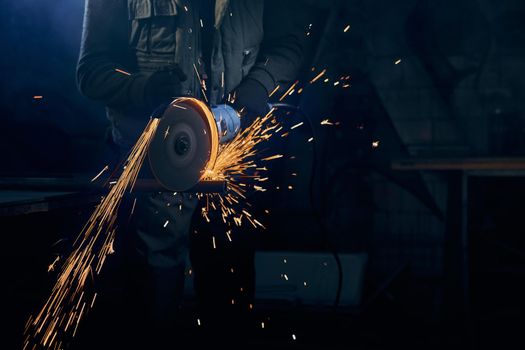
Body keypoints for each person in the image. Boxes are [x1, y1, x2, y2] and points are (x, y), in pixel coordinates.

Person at [77, 0, 309, 344]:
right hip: (154, 165)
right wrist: (142, 89)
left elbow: (289, 45)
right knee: (153, 298)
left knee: (230, 288)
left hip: (231, 160)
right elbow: (90, 71)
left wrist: (254, 89)